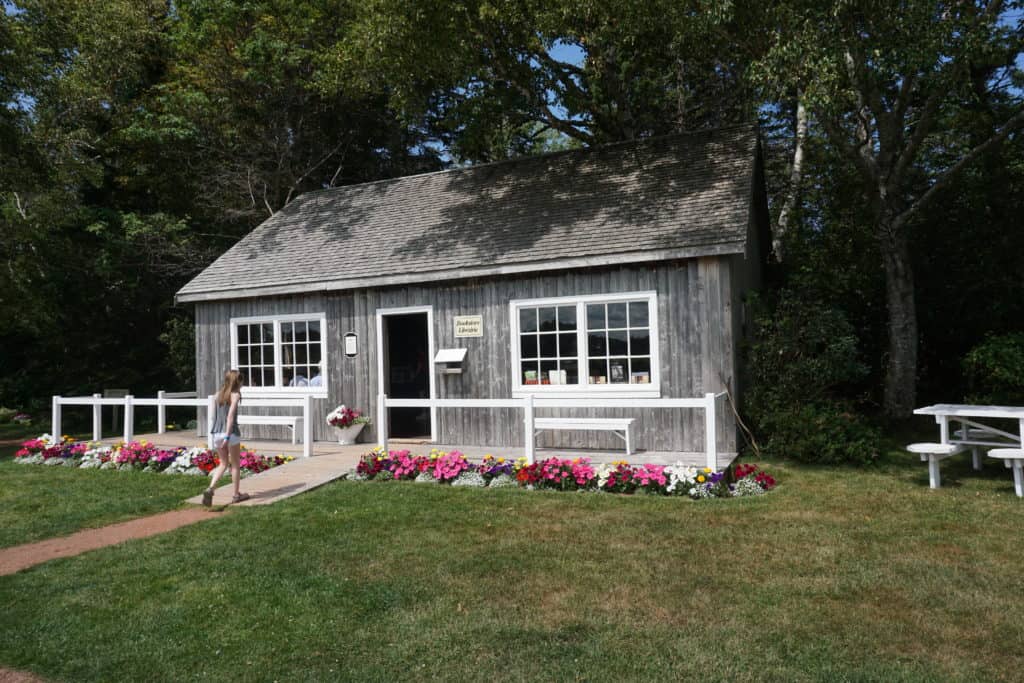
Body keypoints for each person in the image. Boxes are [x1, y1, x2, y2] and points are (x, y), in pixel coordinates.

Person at [202, 369, 250, 506]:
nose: (242, 384)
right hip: (230, 433)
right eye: (241, 381)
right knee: (235, 465)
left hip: (216, 432)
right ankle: (236, 495)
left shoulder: (218, 394)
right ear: (237, 381)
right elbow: (230, 417)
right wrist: (228, 437)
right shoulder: (235, 395)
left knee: (223, 464)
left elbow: (213, 416)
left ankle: (210, 488)